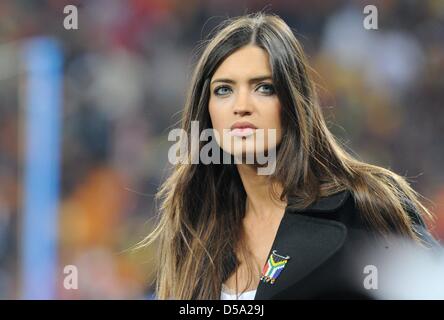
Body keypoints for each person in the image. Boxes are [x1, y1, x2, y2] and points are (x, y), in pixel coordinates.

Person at [139, 12, 440, 300]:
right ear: (206, 110)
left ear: (293, 102)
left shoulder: (366, 202)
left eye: (263, 88)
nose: (241, 106)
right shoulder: (194, 227)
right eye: (223, 90)